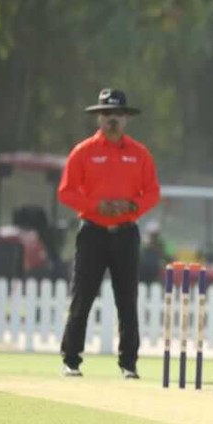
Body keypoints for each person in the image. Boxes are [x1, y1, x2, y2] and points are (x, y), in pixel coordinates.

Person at [58, 89, 161, 379]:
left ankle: (129, 363)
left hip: (126, 232)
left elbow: (152, 192)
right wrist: (96, 205)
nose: (111, 121)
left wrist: (133, 205)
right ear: (98, 118)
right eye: (106, 115)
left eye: (116, 115)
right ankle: (71, 360)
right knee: (82, 296)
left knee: (126, 299)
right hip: (92, 232)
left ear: (125, 118)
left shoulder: (139, 154)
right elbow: (66, 192)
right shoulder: (84, 152)